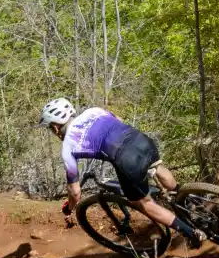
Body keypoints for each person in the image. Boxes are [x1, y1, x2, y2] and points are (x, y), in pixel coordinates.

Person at [41, 98, 201, 248]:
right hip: (140, 139)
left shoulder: (68, 146)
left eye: (50, 128)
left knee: (145, 203)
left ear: (55, 127)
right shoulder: (93, 111)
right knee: (157, 167)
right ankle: (189, 203)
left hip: (126, 159)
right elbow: (118, 119)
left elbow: (75, 192)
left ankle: (191, 234)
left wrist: (70, 209)